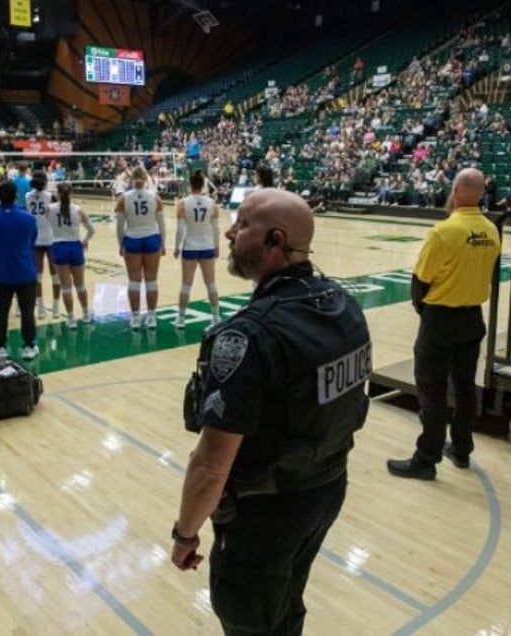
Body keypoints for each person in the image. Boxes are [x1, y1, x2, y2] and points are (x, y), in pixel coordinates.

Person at [172, 189, 371, 635]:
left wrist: (186, 533)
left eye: (242, 224)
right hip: (325, 490)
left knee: (250, 619)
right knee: (285, 605)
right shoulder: (345, 307)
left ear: (274, 240)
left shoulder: (247, 336)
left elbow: (209, 465)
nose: (229, 230)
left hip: (264, 514)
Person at [387, 168, 501, 480]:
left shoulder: (444, 232)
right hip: (472, 317)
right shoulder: (492, 230)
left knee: (432, 390)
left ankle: (426, 459)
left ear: (457, 192)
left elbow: (420, 282)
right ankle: (461, 449)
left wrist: (426, 312)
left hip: (440, 319)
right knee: (465, 387)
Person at [0, 180, 39, 360]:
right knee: (27, 311)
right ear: (16, 196)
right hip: (25, 271)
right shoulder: (28, 218)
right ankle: (29, 346)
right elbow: (32, 240)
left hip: (2, 273)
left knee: (1, 311)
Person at [115, 165, 165, 330]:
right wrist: (163, 243)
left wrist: (121, 244)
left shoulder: (123, 198)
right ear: (145, 180)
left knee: (134, 281)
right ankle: (151, 317)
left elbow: (120, 225)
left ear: (131, 180)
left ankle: (135, 318)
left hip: (133, 239)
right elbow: (161, 223)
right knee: (152, 280)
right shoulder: (155, 197)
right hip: (151, 239)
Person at [173, 170, 221, 328]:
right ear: (203, 185)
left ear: (190, 185)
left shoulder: (183, 203)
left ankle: (181, 318)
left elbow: (180, 229)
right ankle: (215, 317)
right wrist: (217, 246)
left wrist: (176, 247)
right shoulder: (212, 203)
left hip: (190, 246)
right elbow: (216, 229)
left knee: (186, 284)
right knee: (211, 283)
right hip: (207, 246)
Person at [49, 182, 95, 330]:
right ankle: (86, 314)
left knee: (66, 287)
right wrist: (84, 242)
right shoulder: (78, 210)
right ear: (71, 193)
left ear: (57, 193)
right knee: (80, 284)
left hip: (58, 246)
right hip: (75, 246)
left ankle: (71, 319)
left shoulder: (49, 209)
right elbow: (92, 230)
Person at [26, 170, 61, 319]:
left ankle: (40, 308)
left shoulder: (27, 196)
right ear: (46, 182)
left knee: (37, 275)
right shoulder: (50, 196)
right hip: (51, 237)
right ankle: (56, 307)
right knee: (55, 274)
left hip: (34, 237)